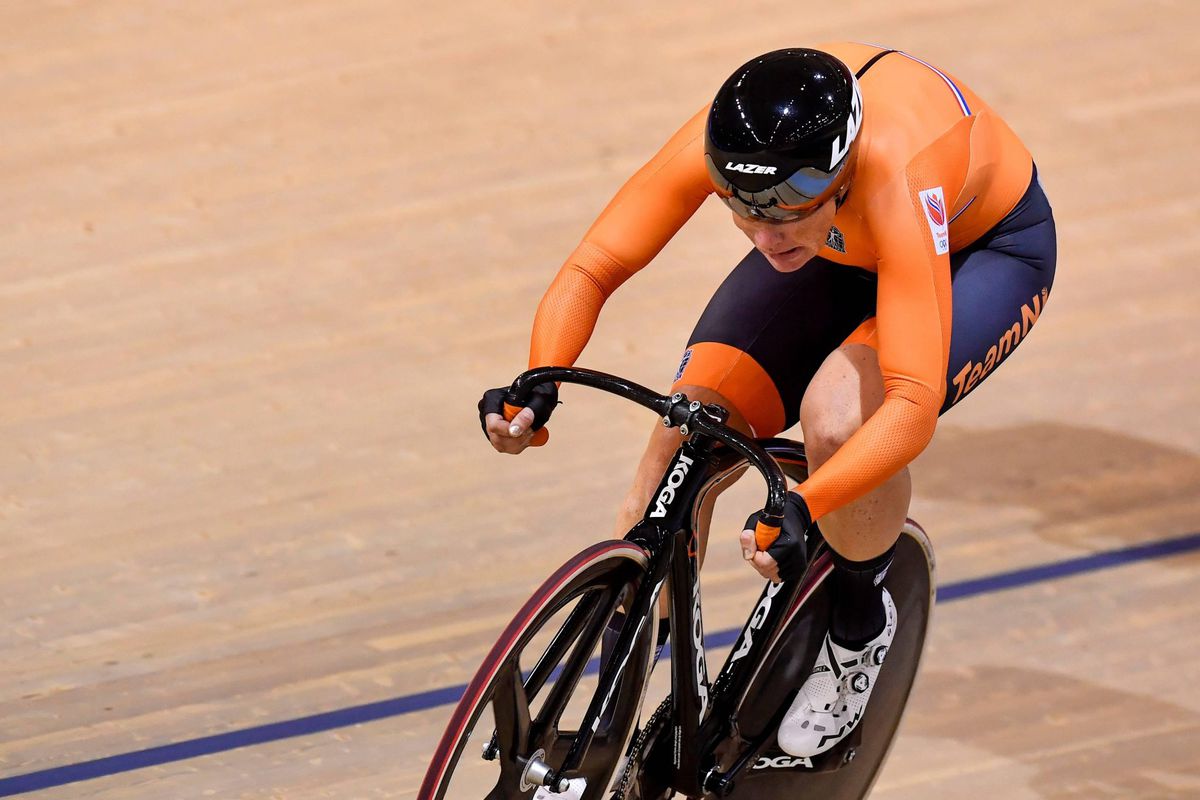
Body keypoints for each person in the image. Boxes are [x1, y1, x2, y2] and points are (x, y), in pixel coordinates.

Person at [480, 42, 1056, 763]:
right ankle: (637, 670)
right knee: (683, 433)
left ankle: (857, 626)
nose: (761, 236)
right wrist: (541, 379)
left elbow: (908, 407)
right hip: (839, 243)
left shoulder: (897, 173)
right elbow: (595, 265)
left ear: (840, 173)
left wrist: (805, 504)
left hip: (979, 253)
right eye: (743, 212)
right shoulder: (742, 158)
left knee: (840, 419)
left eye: (783, 211)